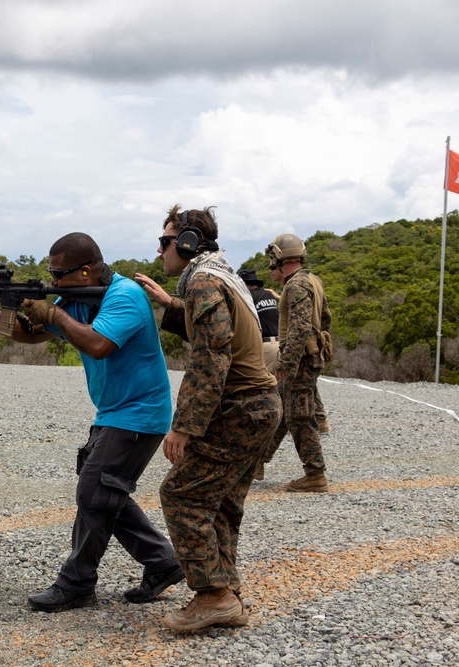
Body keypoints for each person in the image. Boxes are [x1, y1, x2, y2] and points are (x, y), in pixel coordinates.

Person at [0, 232, 183, 612]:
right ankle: (163, 563)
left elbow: (97, 344)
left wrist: (54, 310)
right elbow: (33, 334)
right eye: (51, 274)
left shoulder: (124, 297)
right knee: (106, 494)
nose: (54, 282)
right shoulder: (76, 299)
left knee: (94, 493)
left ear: (86, 271)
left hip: (140, 414)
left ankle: (76, 583)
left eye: (59, 275)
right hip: (114, 412)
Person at [134, 205, 280, 632]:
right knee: (222, 503)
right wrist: (170, 305)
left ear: (187, 243)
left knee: (182, 496)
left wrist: (184, 426)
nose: (159, 250)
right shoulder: (221, 276)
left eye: (165, 242)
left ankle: (213, 595)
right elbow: (218, 330)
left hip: (239, 408)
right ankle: (226, 593)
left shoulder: (202, 281)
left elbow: (211, 356)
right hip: (260, 406)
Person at [259, 234, 332, 492]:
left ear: (280, 257)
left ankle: (315, 475)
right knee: (285, 412)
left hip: (299, 360)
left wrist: (284, 364)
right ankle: (257, 461)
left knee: (299, 417)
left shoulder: (295, 286)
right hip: (308, 357)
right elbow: (326, 318)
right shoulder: (313, 281)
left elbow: (300, 328)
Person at [238, 269, 280, 372]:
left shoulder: (248, 298)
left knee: (258, 384)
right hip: (280, 344)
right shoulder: (269, 294)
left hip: (264, 346)